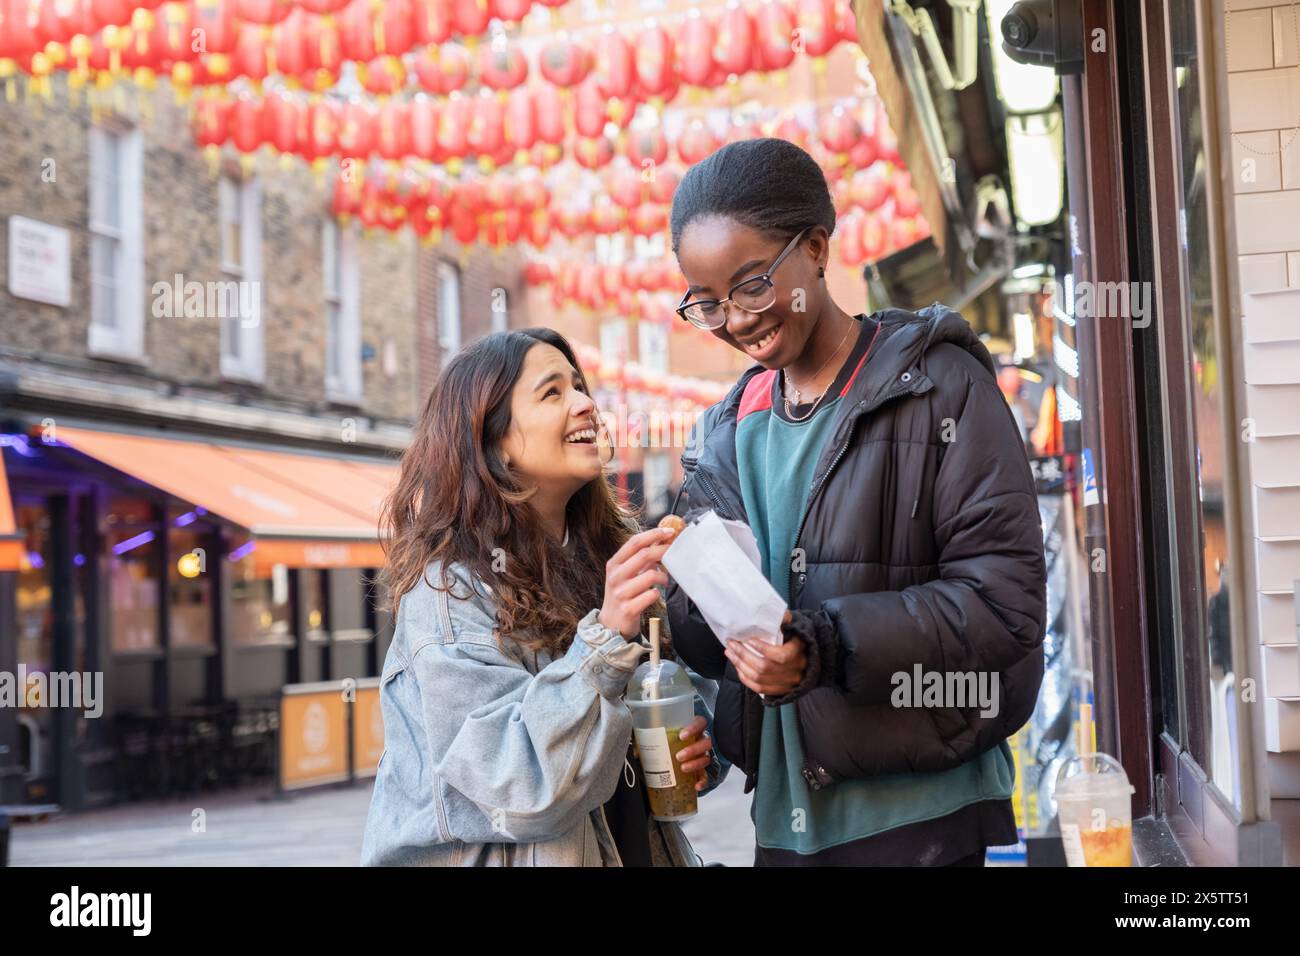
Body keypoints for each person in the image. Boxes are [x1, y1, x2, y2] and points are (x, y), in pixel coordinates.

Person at [664, 138, 1047, 866]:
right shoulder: (727, 429)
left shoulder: (940, 387)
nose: (736, 320)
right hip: (782, 821)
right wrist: (680, 586)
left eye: (751, 285)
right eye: (708, 303)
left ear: (815, 249)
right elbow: (710, 646)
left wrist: (820, 647)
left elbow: (1005, 607)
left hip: (922, 815)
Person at [361, 327, 720, 866]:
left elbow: (668, 701)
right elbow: (520, 784)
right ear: (494, 438)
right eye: (552, 393)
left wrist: (698, 744)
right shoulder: (452, 591)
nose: (585, 405)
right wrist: (607, 638)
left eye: (579, 387)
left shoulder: (603, 559)